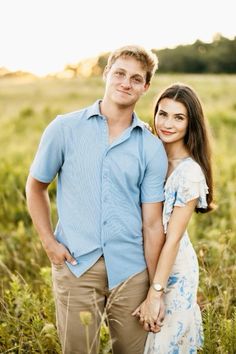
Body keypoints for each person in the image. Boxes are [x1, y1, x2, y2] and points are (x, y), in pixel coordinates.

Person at [25, 45, 168, 354]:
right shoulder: (64, 128)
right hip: (76, 266)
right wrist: (49, 241)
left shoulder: (151, 147)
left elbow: (153, 224)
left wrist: (155, 290)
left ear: (145, 86)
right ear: (106, 74)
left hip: (132, 272)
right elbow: (35, 187)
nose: (125, 83)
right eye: (119, 73)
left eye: (135, 78)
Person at [133, 83, 215, 353]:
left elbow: (173, 240)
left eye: (179, 117)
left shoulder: (189, 173)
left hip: (175, 270)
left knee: (165, 343)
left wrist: (157, 292)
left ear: (191, 123)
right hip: (146, 259)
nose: (167, 124)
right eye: (162, 114)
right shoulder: (150, 149)